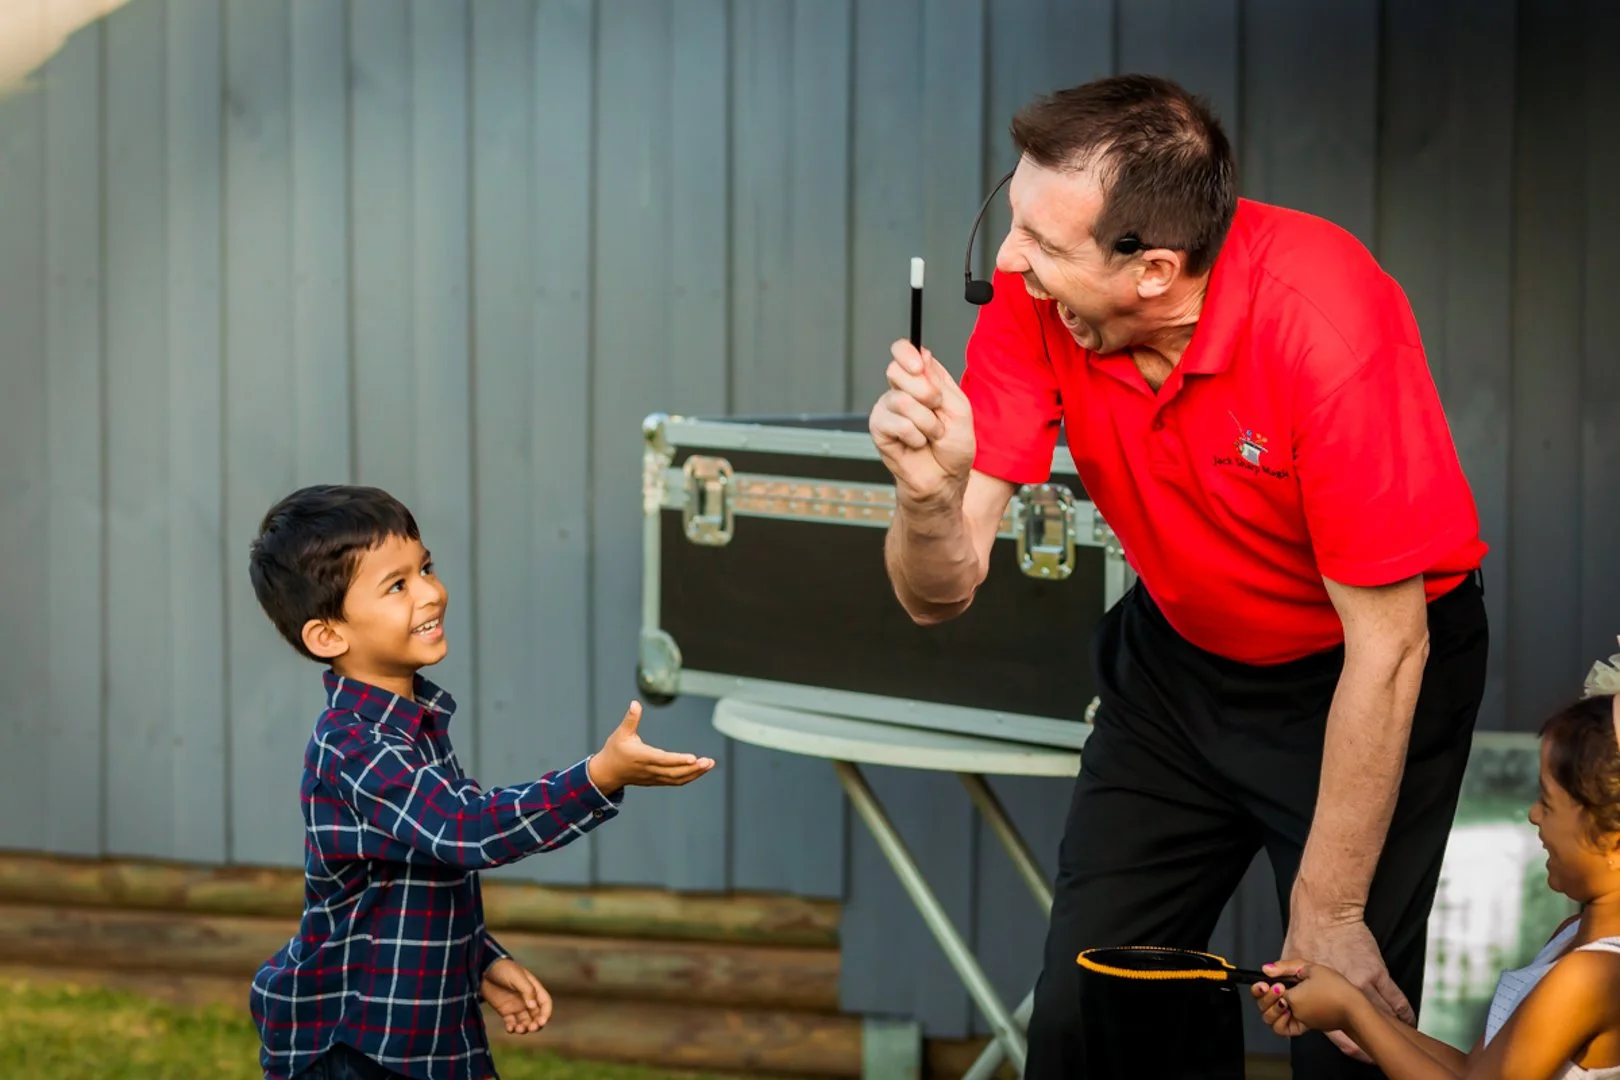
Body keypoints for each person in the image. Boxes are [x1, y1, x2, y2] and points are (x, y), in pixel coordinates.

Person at [868, 73, 1490, 1078]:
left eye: (1041, 241)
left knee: (1337, 1020)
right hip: (1181, 663)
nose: (1010, 262)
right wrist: (929, 501)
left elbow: (1393, 644)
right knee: (1088, 1012)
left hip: (1362, 675)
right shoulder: (1036, 305)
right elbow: (935, 594)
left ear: (1154, 269)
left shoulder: (1323, 329)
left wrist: (1328, 912)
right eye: (1010, 216)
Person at [245, 484, 716, 1080]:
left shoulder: (412, 725)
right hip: (356, 1044)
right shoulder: (355, 746)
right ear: (328, 636)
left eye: (426, 568)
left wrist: (480, 959)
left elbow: (408, 879)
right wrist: (598, 777)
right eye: (398, 585)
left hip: (426, 1035)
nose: (432, 592)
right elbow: (463, 829)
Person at [1252, 656, 1620, 1079]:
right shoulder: (1571, 938)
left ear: (1614, 840)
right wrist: (1347, 1007)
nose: (1534, 815)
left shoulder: (1591, 974)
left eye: (1549, 805)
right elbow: (1471, 1069)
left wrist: (1354, 1011)